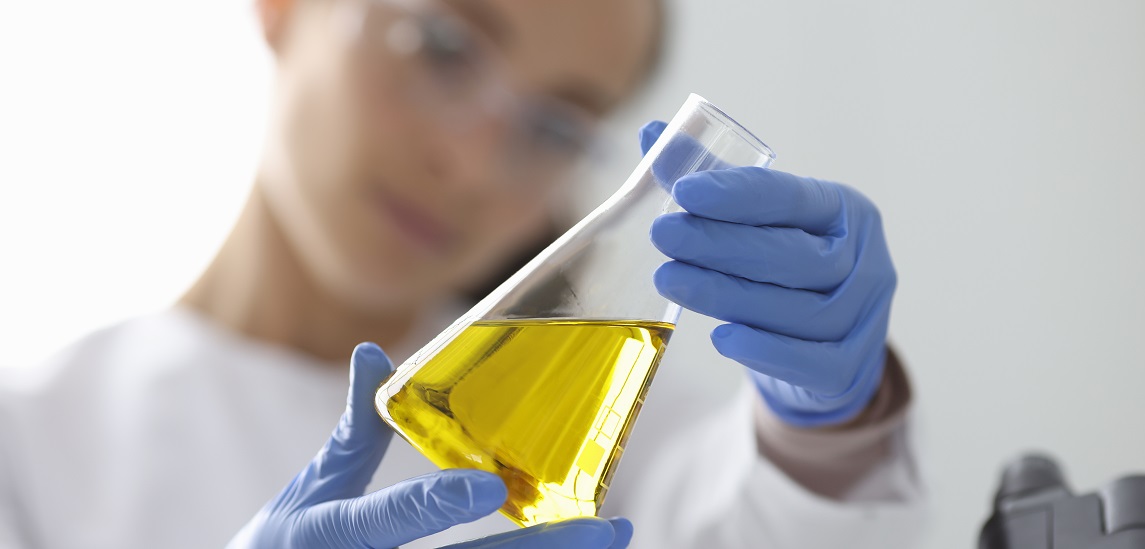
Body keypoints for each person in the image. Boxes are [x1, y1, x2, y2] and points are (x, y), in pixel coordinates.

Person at [0, 0, 924, 547]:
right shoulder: (29, 446)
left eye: (555, 127)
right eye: (442, 48)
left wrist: (826, 434)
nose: (473, 164)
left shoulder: (599, 443)